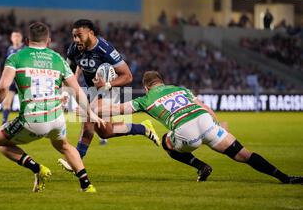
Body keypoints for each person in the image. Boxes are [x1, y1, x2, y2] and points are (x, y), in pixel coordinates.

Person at [98, 70, 303, 184]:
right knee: (244, 154)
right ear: (162, 82)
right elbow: (203, 106)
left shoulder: (145, 99)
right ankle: (284, 177)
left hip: (186, 132)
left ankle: (201, 166)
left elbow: (119, 109)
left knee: (165, 142)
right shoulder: (180, 89)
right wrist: (219, 125)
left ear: (146, 87)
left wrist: (95, 109)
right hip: (206, 121)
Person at [0, 22, 105, 193]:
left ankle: (37, 168)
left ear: (26, 40)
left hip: (33, 120)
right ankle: (86, 184)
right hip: (56, 119)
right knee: (64, 146)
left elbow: (3, 88)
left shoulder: (16, 57)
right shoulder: (58, 58)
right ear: (48, 41)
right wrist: (90, 112)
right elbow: (76, 90)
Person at [63, 19, 159, 161]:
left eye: (79, 35)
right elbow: (69, 74)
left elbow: (128, 76)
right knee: (105, 132)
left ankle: (76, 162)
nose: (76, 39)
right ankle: (142, 128)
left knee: (88, 120)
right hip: (92, 90)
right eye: (74, 36)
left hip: (108, 89)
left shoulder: (105, 49)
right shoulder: (73, 49)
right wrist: (65, 91)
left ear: (90, 33)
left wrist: (106, 85)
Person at [1, 30, 24, 125]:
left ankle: (25, 124)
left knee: (23, 103)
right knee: (6, 102)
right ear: (11, 38)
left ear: (21, 38)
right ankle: (3, 124)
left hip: (21, 80)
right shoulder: (9, 49)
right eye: (14, 36)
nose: (16, 38)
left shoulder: (25, 49)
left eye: (18, 36)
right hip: (11, 79)